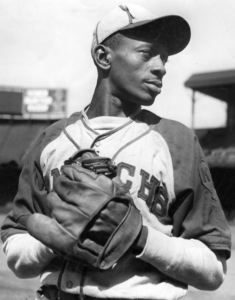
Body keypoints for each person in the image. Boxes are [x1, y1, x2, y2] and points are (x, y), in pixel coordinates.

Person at [1, 3, 231, 300]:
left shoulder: (178, 141)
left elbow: (214, 270)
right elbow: (15, 244)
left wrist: (140, 237)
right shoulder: (51, 139)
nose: (161, 66)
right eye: (147, 53)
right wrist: (56, 237)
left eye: (165, 59)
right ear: (103, 57)